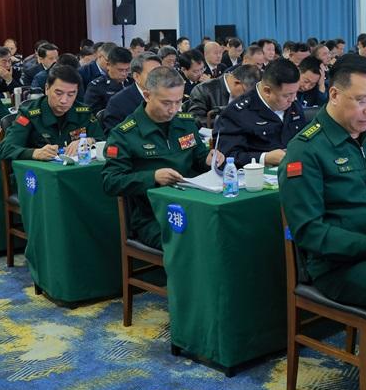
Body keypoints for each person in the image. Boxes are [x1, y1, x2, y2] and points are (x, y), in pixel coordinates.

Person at [280, 54, 366, 312]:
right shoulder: (306, 150)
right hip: (339, 266)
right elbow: (309, 231)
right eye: (362, 100)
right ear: (334, 95)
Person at [102, 67, 217, 248]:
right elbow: (111, 182)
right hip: (153, 215)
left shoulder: (185, 123)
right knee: (193, 244)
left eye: (178, 102)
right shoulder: (125, 134)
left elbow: (199, 158)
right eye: (166, 103)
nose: (173, 109)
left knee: (223, 233)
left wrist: (209, 160)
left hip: (194, 205)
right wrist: (153, 177)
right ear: (147, 96)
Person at [0, 64, 104, 160]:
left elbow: (102, 140)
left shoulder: (83, 112)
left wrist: (89, 141)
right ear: (47, 89)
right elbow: (7, 148)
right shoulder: (29, 114)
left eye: (71, 94)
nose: (64, 100)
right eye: (58, 93)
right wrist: (34, 153)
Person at [218, 58, 307, 167]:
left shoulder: (293, 105)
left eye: (295, 93)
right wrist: (264, 158)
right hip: (258, 173)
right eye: (287, 95)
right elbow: (227, 157)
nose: (292, 99)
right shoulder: (237, 113)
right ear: (267, 91)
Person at [102, 52, 161, 133]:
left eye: (161, 74)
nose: (159, 78)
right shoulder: (118, 103)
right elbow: (113, 135)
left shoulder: (168, 97)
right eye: (153, 74)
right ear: (137, 77)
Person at [188, 63, 261, 120]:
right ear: (236, 83)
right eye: (245, 93)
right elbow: (195, 119)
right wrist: (226, 123)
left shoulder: (248, 91)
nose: (246, 97)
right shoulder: (203, 90)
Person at [83, 46, 133, 114]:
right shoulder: (96, 86)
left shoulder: (132, 82)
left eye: (127, 70)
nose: (124, 74)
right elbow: (89, 111)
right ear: (108, 65)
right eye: (120, 70)